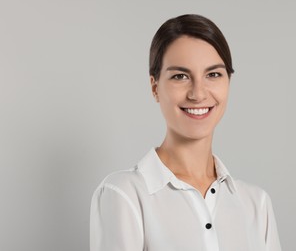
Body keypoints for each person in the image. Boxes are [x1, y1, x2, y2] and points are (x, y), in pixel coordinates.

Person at [90, 14, 282, 251]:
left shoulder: (256, 203)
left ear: (228, 82)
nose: (198, 93)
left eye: (213, 74)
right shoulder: (125, 195)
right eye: (180, 76)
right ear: (155, 87)